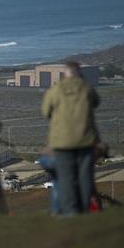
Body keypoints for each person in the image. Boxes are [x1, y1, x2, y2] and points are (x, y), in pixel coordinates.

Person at [42, 61, 100, 216]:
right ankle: (85, 208)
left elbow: (45, 112)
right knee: (85, 176)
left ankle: (70, 211)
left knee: (65, 177)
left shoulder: (55, 90)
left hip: (62, 141)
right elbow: (96, 103)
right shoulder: (86, 88)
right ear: (79, 73)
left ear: (65, 74)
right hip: (85, 139)